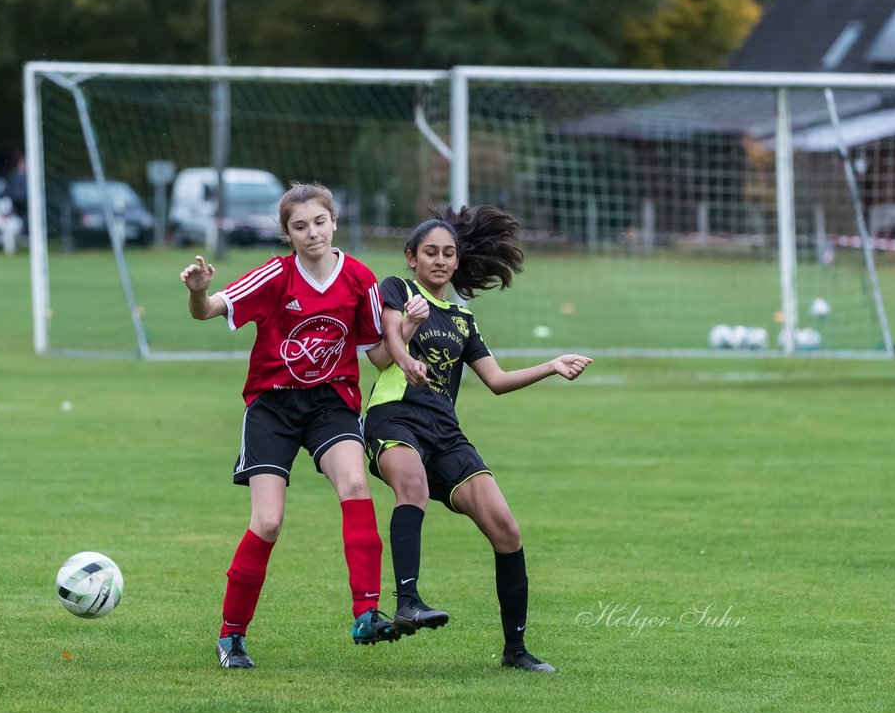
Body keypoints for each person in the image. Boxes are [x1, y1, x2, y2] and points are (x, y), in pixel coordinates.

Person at [180, 182, 402, 669]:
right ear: (287, 234)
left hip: (330, 403)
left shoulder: (360, 279)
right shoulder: (275, 277)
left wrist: (403, 329)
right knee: (269, 521)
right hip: (273, 407)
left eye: (319, 222)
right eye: (300, 226)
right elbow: (209, 310)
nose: (312, 233)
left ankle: (366, 612)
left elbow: (379, 354)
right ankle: (231, 635)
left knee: (354, 482)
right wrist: (198, 292)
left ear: (334, 222)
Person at [363, 205, 593, 673]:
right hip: (393, 417)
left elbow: (497, 379)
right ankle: (408, 600)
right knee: (413, 485)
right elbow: (383, 353)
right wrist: (408, 343)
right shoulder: (397, 290)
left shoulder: (462, 320)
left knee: (506, 529)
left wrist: (551, 366)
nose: (441, 260)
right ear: (411, 258)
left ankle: (516, 650)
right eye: (431, 252)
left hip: (444, 431)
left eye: (448, 253)